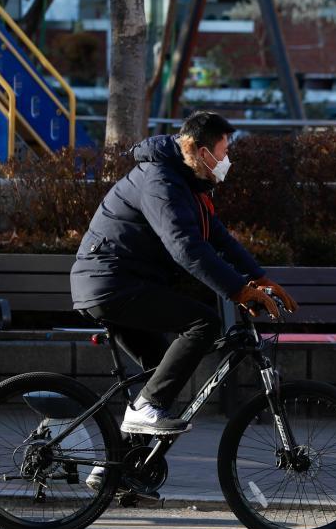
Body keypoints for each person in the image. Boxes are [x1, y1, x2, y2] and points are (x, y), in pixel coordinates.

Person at [70, 111, 298, 437]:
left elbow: (216, 236)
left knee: (161, 372)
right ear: (198, 150)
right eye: (223, 152)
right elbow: (186, 247)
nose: (226, 160)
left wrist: (257, 277)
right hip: (112, 283)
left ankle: (117, 474)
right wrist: (237, 290)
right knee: (203, 324)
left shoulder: (187, 183)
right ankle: (145, 410)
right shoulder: (160, 180)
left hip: (123, 283)